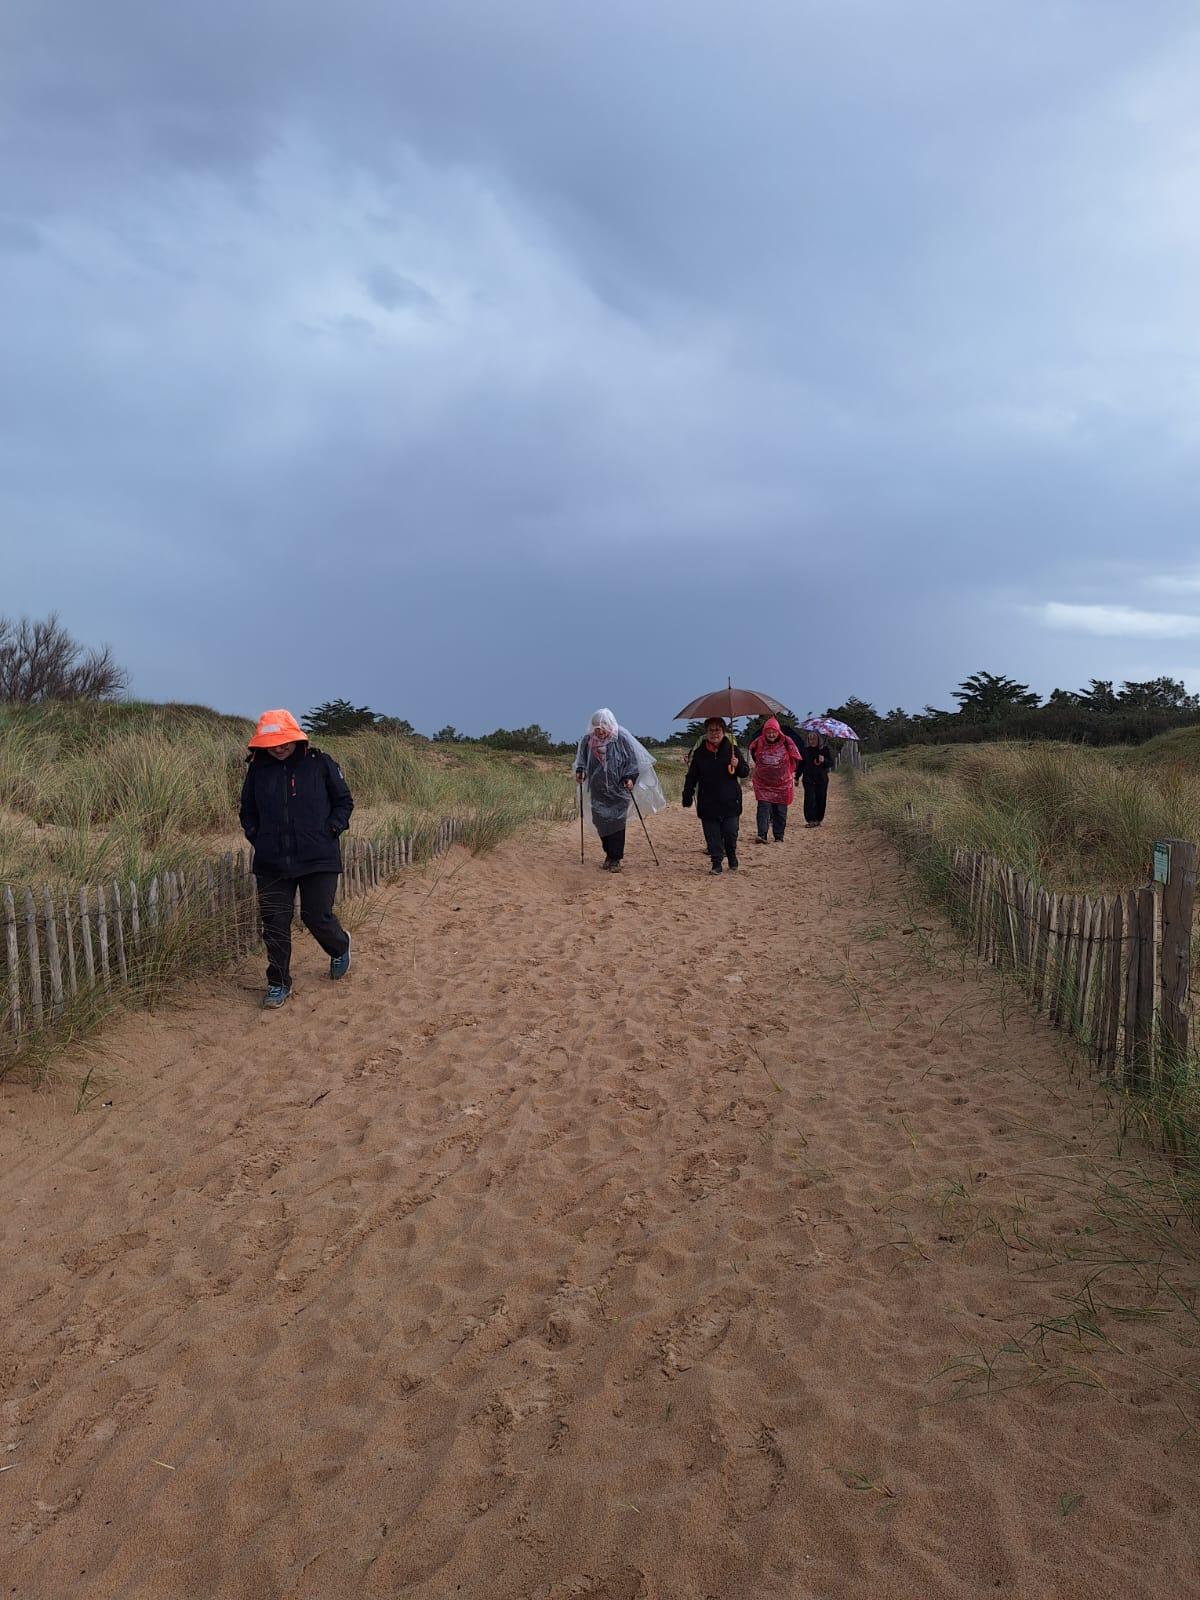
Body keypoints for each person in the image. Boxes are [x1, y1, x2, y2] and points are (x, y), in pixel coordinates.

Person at [239, 709, 354, 1007]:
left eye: (283, 742)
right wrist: (259, 837)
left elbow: (343, 801)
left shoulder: (319, 763)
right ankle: (278, 982)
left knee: (315, 916)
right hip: (272, 861)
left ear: (295, 738)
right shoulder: (257, 771)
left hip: (318, 856)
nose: (279, 747)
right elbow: (247, 811)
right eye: (272, 743)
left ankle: (340, 947)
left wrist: (332, 828)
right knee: (275, 923)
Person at [574, 709, 666, 872]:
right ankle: (609, 854)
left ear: (610, 725)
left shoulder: (621, 739)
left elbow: (631, 761)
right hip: (598, 790)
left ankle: (615, 859)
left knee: (616, 823)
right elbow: (582, 760)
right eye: (596, 727)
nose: (600, 730)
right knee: (600, 822)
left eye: (603, 726)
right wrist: (580, 771)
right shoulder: (588, 741)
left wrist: (630, 777)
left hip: (619, 789)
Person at [681, 716, 750, 873]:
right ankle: (716, 862)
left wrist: (737, 764)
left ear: (723, 732)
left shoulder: (732, 750)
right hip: (708, 801)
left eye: (717, 730)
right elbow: (692, 776)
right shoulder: (699, 753)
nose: (714, 733)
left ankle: (731, 855)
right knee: (712, 836)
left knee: (730, 833)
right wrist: (687, 795)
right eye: (710, 730)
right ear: (706, 733)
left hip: (731, 801)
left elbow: (745, 772)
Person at [749, 716, 801, 842]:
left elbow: (796, 758)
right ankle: (762, 835)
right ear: (764, 732)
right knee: (763, 808)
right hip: (763, 783)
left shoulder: (786, 741)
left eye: (774, 731)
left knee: (780, 811)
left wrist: (791, 772)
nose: (771, 734)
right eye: (768, 732)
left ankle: (779, 836)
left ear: (778, 731)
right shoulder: (758, 742)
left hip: (782, 783)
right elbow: (753, 754)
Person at [798, 731, 833, 827]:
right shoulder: (805, 750)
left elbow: (830, 763)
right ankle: (810, 820)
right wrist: (797, 776)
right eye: (810, 739)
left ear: (819, 739)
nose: (812, 741)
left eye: (814, 739)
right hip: (808, 778)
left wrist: (824, 760)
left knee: (820, 798)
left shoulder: (824, 750)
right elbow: (801, 765)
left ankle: (818, 819)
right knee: (810, 798)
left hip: (821, 779)